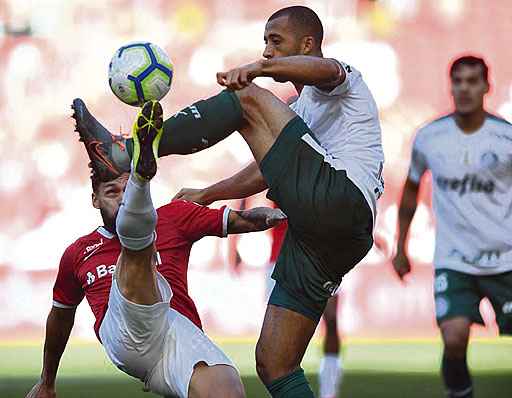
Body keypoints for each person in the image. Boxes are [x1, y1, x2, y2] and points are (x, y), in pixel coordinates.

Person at [74, 6, 384, 396]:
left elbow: (327, 70)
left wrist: (258, 71)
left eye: (276, 41)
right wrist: (209, 193)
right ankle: (133, 151)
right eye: (265, 44)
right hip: (331, 237)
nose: (268, 51)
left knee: (244, 98)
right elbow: (267, 169)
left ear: (307, 44)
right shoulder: (299, 114)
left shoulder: (345, 81)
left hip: (341, 198)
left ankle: (127, 150)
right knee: (275, 363)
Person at [26, 100, 286, 398]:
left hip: (175, 332)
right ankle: (140, 174)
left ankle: (135, 167)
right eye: (112, 192)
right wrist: (47, 380)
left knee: (227, 391)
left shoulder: (175, 217)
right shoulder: (79, 252)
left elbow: (242, 220)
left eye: (126, 189)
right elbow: (61, 316)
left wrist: (273, 217)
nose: (121, 199)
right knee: (136, 251)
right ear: (95, 200)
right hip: (126, 335)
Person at [392, 55, 512, 398]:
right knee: (455, 338)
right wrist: (401, 247)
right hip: (454, 260)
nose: (464, 88)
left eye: (472, 81)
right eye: (458, 81)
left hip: (506, 260)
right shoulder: (429, 137)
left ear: (487, 86)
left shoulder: (505, 138)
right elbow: (411, 191)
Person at [267, 218, 343, 398]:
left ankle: (329, 392)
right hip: (282, 259)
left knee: (331, 321)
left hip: (325, 260)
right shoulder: (278, 188)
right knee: (277, 342)